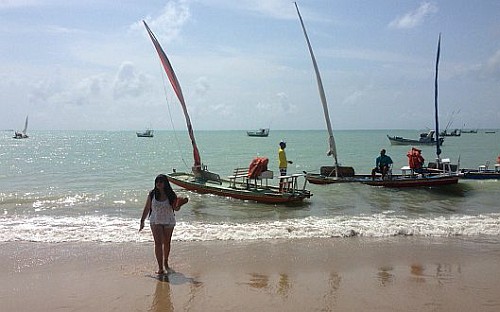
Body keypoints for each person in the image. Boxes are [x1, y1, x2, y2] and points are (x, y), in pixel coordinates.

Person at [139, 174, 188, 275]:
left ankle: (165, 261)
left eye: (161, 182)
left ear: (165, 183)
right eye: (157, 182)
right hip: (155, 220)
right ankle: (160, 267)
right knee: (158, 243)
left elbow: (176, 209)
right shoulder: (152, 194)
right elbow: (147, 208)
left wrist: (180, 204)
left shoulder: (171, 194)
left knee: (166, 242)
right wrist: (142, 221)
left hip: (168, 220)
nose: (159, 184)